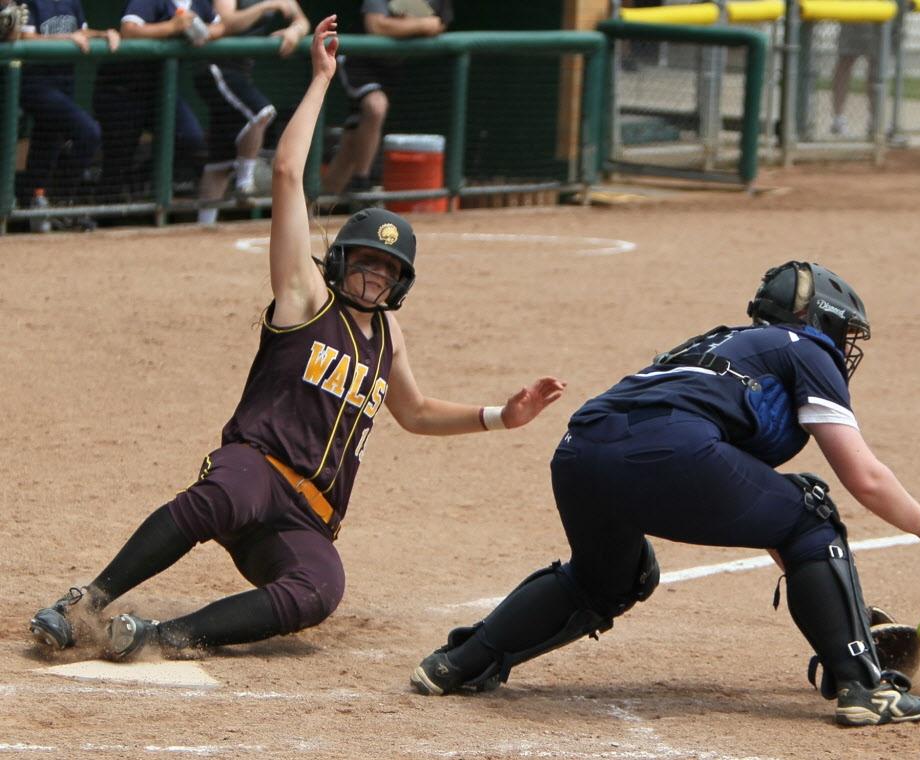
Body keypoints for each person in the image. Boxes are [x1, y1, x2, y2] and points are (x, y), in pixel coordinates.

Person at [28, 15, 566, 662]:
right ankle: (84, 602)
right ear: (340, 261)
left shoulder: (387, 335)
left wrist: (500, 418)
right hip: (252, 466)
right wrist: (319, 81)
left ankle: (160, 636)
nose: (374, 277)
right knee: (227, 495)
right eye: (365, 261)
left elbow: (416, 412)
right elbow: (286, 172)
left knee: (321, 586)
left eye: (388, 271)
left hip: (304, 514)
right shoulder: (306, 295)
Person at [410, 261, 920, 727]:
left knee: (607, 578)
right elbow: (860, 477)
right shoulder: (808, 349)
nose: (844, 347)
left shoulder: (719, 345)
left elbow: (761, 508)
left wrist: (844, 613)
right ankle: (865, 688)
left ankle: (458, 663)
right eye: (843, 332)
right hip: (670, 451)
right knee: (811, 508)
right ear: (820, 320)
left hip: (580, 451)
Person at [92, 0, 224, 202]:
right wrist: (172, 27)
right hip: (121, 91)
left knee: (190, 139)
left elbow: (222, 27)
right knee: (117, 163)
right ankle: (101, 219)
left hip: (161, 92)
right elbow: (128, 30)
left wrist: (201, 32)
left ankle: (139, 180)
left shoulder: (200, 3)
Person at [193, 0, 309, 226]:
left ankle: (203, 225)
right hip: (214, 68)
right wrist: (266, 6)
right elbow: (228, 23)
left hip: (241, 72)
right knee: (262, 112)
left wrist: (295, 31)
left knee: (221, 161)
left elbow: (301, 19)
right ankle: (245, 183)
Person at [322, 0, 452, 199]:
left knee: (352, 141)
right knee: (376, 106)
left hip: (390, 67)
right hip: (359, 58)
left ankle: (320, 208)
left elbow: (438, 24)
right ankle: (361, 182)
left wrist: (413, 24)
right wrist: (421, 25)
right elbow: (375, 25)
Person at [16, 0, 120, 226]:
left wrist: (103, 34)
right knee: (89, 132)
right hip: (36, 84)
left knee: (47, 143)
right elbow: (26, 39)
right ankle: (60, 201)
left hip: (65, 82)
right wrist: (66, 38)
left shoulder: (71, 2)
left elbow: (81, 31)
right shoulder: (29, 2)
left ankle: (35, 204)